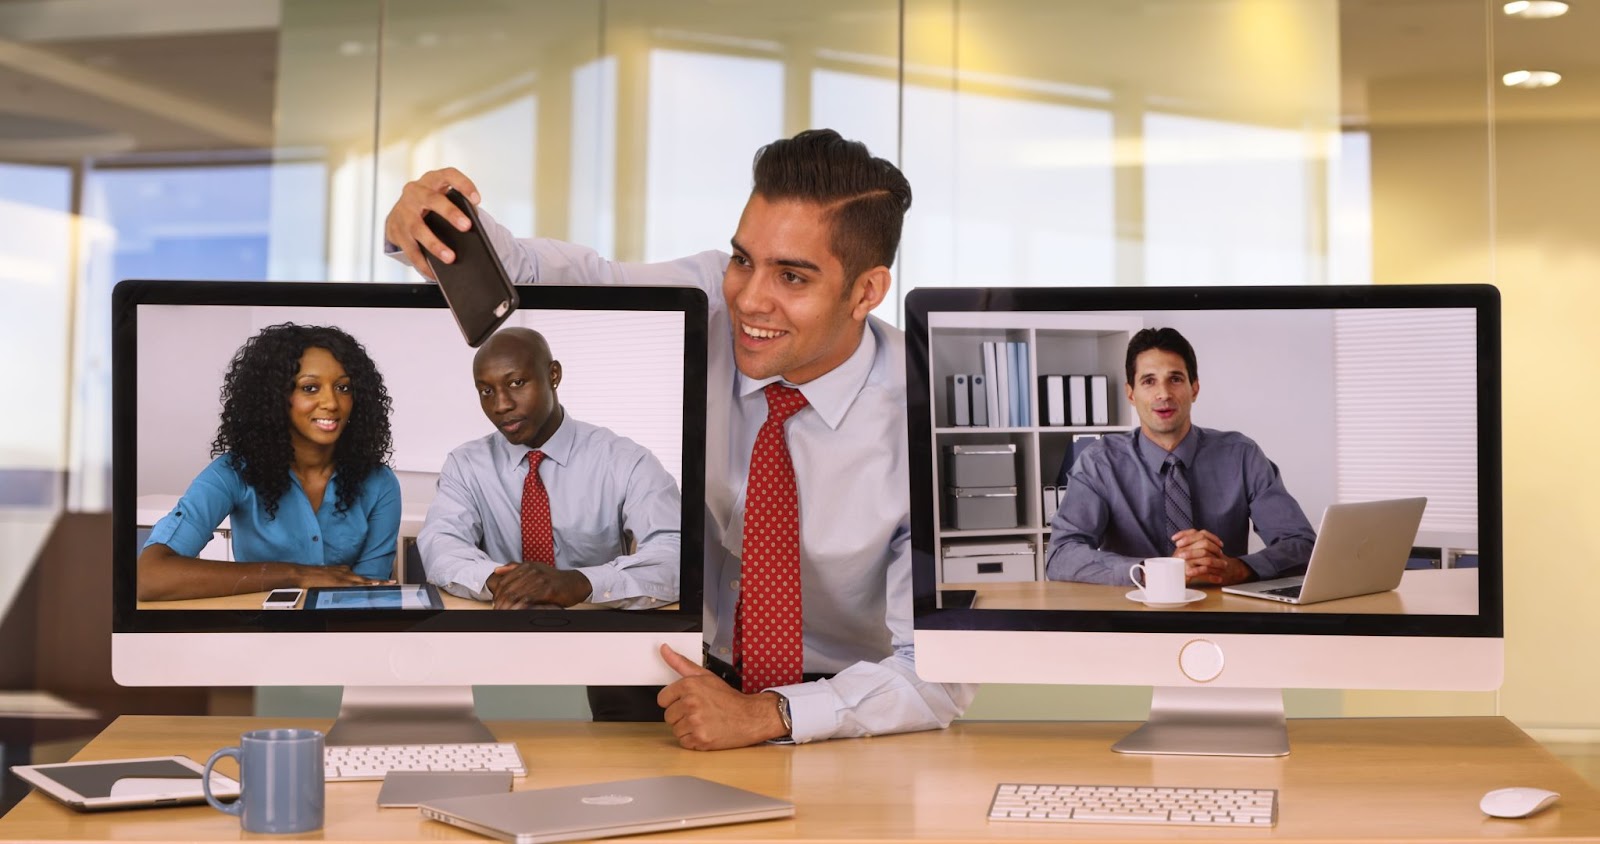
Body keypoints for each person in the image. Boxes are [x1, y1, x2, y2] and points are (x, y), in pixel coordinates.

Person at [384, 129, 974, 748]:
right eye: (743, 259)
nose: (749, 298)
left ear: (866, 292)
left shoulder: (927, 420)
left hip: (840, 699)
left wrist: (771, 713)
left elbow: (937, 669)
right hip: (665, 669)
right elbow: (548, 278)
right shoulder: (701, 302)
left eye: (792, 277)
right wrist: (432, 225)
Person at [416, 326, 680, 611]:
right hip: (503, 626)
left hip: (598, 632)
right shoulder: (465, 465)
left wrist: (580, 582)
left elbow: (675, 553)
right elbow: (441, 545)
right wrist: (503, 582)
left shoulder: (625, 460)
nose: (500, 405)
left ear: (553, 375)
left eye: (516, 383)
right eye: (486, 391)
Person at [138, 323, 401, 601]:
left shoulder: (379, 483)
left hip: (343, 635)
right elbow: (149, 576)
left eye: (343, 387)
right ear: (275, 396)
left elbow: (369, 593)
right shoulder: (233, 473)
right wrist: (296, 575)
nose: (332, 403)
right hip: (257, 633)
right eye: (310, 388)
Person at [1045, 327, 1316, 587]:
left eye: (1175, 379)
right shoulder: (1100, 462)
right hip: (1134, 616)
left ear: (1194, 389)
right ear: (1131, 394)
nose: (1163, 394)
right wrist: (1155, 572)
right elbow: (1062, 555)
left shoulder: (1242, 455)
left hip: (1227, 615)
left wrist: (1238, 568)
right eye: (1149, 381)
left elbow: (1301, 544)